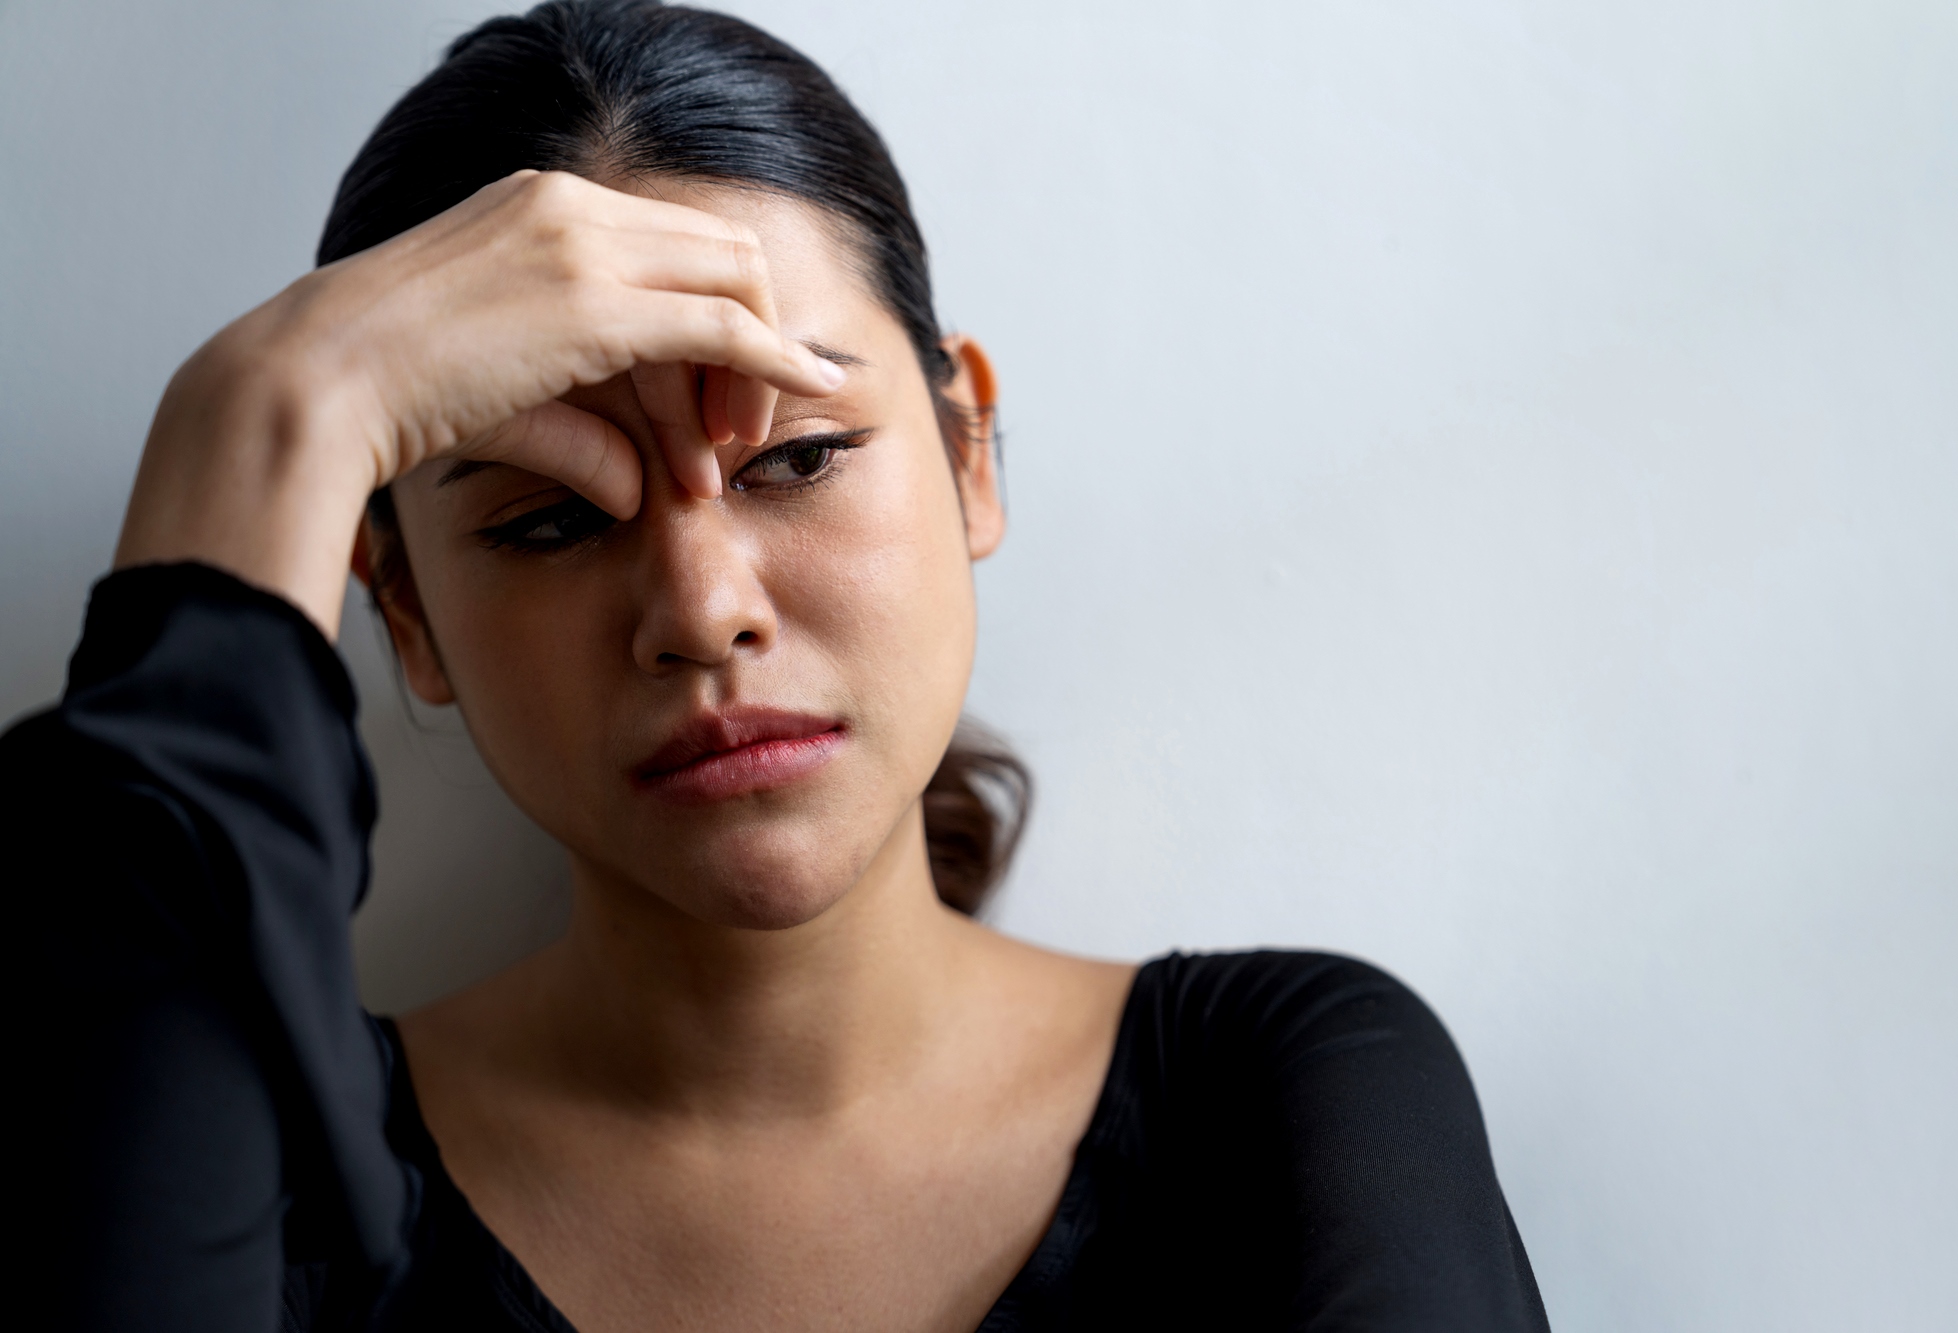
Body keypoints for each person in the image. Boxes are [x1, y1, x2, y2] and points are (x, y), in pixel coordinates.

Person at [11, 3, 1549, 1329]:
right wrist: (263, 423)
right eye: (548, 522)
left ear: (968, 458)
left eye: (800, 455)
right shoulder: (251, 1173)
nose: (699, 603)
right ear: (401, 609)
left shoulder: (1281, 1109)